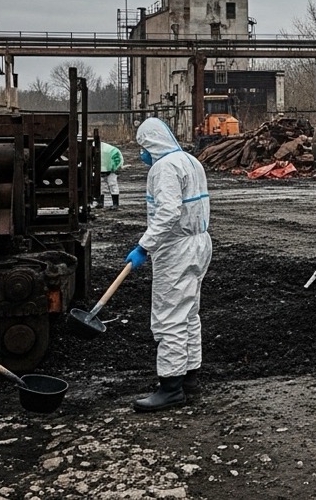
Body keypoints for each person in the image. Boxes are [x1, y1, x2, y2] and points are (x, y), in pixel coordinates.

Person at [124, 118, 212, 412]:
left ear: (152, 143)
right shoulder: (190, 160)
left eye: (143, 147)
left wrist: (143, 247)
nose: (142, 154)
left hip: (176, 249)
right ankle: (190, 379)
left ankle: (170, 387)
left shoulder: (164, 169)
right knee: (188, 314)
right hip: (199, 243)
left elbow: (168, 213)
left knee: (169, 317)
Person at [98, 140, 124, 210]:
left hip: (109, 168)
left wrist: (114, 168)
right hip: (107, 166)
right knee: (104, 185)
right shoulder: (110, 150)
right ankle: (103, 203)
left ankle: (113, 204)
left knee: (111, 184)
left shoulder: (110, 151)